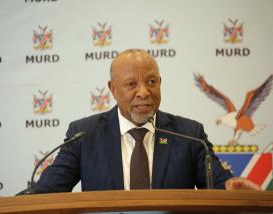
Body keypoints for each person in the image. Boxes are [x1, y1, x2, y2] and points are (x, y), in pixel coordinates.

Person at [34, 49, 261, 193]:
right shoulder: (84, 134)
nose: (144, 92)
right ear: (113, 89)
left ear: (160, 83)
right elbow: (46, 192)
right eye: (132, 84)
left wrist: (231, 186)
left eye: (151, 81)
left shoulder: (190, 134)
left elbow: (218, 184)